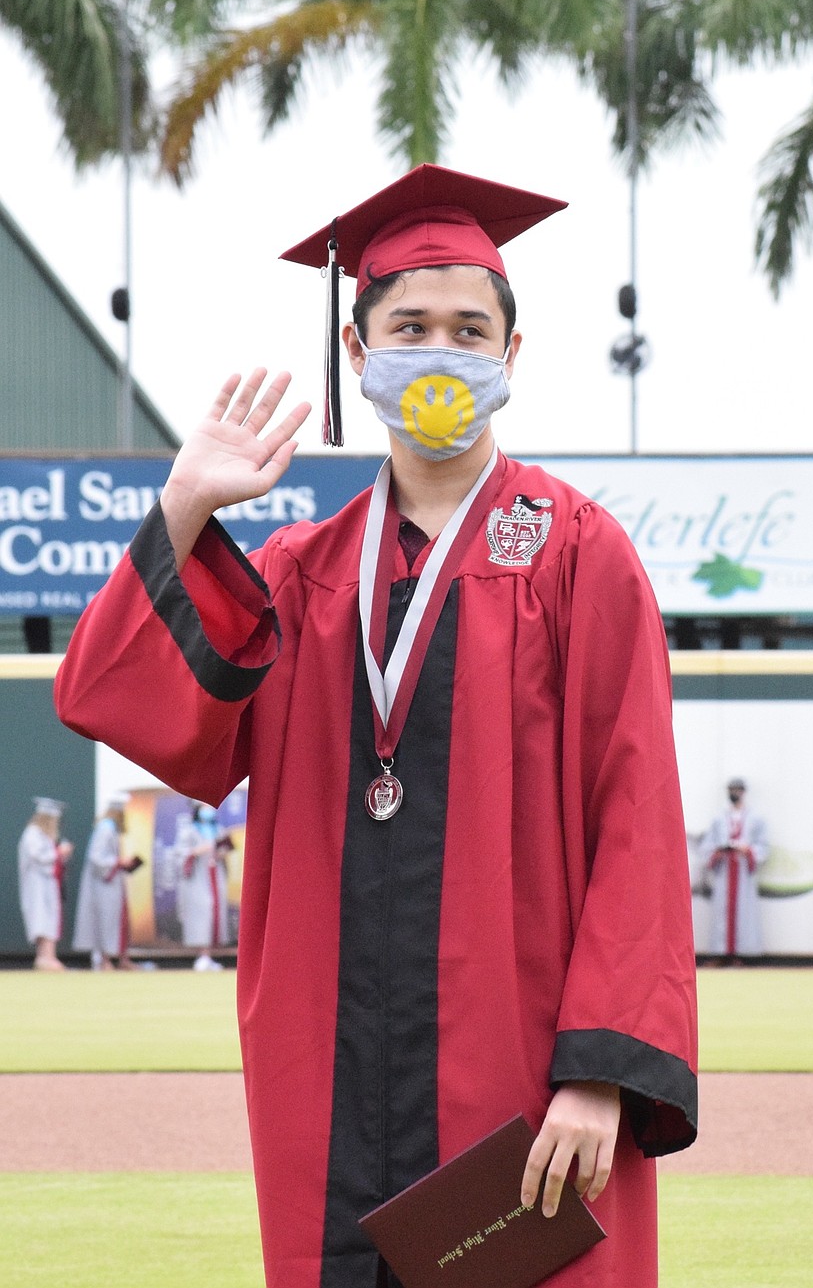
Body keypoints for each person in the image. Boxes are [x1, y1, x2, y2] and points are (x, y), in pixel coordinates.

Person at [55, 164, 698, 1288]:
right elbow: (119, 698)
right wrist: (185, 507)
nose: (438, 352)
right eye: (408, 325)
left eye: (467, 328)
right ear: (358, 356)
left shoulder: (576, 555)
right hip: (329, 1063)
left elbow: (636, 818)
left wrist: (601, 1071)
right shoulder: (301, 577)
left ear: (509, 354)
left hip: (522, 1069)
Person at [700, 777, 770, 964]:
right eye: (732, 789)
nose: (734, 793)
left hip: (743, 872)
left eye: (738, 789)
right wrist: (718, 850)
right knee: (721, 913)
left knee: (744, 913)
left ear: (743, 792)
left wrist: (748, 850)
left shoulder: (755, 819)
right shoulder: (719, 818)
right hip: (724, 872)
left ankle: (740, 954)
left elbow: (763, 846)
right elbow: (708, 845)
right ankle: (721, 953)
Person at [72, 793, 142, 970]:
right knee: (105, 920)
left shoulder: (110, 828)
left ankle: (120, 958)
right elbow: (96, 857)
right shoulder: (106, 828)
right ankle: (104, 959)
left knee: (116, 920)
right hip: (103, 886)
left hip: (111, 884)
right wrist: (118, 862)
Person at [173, 801, 232, 970]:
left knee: (215, 912)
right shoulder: (189, 831)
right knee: (201, 913)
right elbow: (180, 854)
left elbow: (221, 850)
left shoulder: (218, 830)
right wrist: (197, 851)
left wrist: (222, 852)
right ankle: (202, 954)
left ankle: (209, 955)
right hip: (197, 879)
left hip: (214, 875)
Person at [17, 797, 74, 971]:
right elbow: (38, 857)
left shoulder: (44, 836)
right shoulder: (32, 833)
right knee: (41, 917)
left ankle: (48, 956)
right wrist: (58, 853)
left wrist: (60, 854)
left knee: (49, 918)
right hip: (37, 885)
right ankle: (44, 957)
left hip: (49, 884)